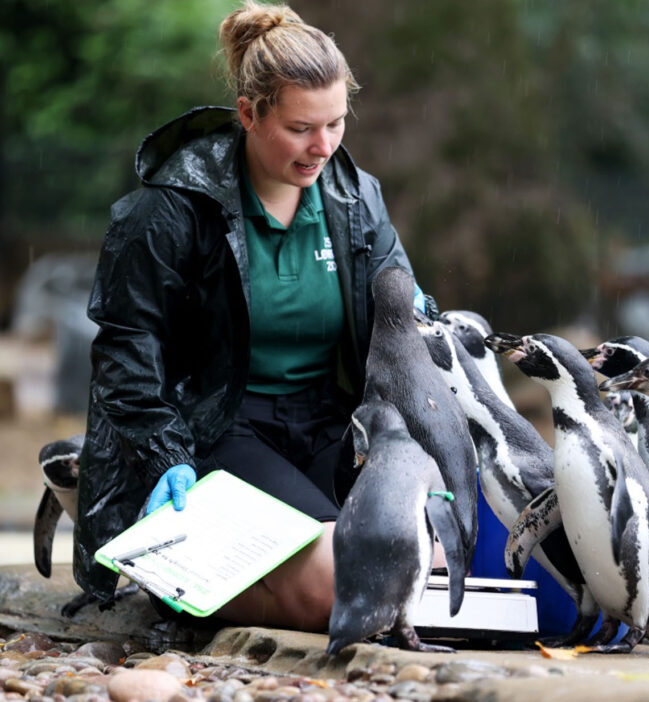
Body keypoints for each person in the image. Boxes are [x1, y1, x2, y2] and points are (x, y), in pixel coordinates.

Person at [74, 0, 434, 631]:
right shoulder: (171, 207)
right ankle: (168, 576)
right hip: (217, 427)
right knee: (348, 581)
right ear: (248, 115)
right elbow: (125, 346)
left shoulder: (357, 197)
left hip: (330, 423)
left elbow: (403, 311)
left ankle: (232, 570)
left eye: (336, 123)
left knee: (423, 560)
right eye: (301, 128)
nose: (322, 147)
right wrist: (164, 452)